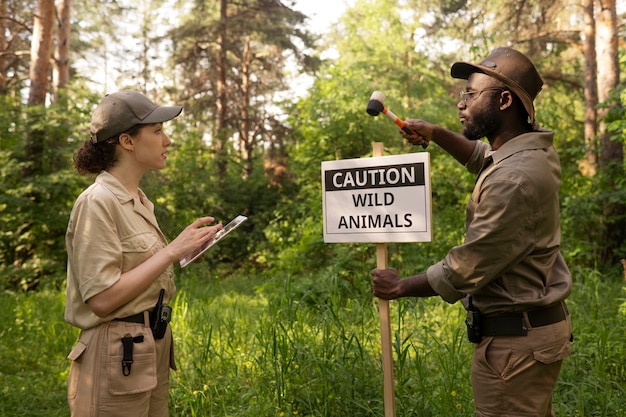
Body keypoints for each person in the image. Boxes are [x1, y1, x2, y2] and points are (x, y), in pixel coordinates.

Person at [371, 47, 573, 416]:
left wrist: (400, 287)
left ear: (504, 100)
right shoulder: (528, 150)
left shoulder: (514, 178)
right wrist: (435, 133)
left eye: (470, 94)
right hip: (530, 335)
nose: (461, 104)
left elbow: (468, 265)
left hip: (516, 347)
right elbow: (483, 158)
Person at [64, 90, 222, 417]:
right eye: (158, 131)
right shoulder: (98, 202)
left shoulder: (137, 199)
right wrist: (171, 251)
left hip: (149, 347)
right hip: (113, 354)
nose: (168, 141)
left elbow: (140, 269)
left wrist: (186, 251)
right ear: (128, 141)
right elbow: (103, 299)